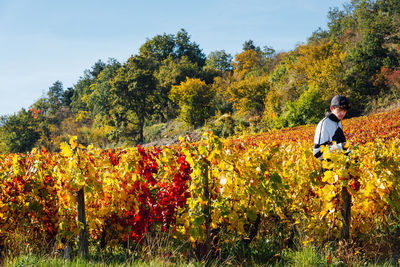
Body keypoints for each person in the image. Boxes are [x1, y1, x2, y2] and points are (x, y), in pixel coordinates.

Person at [313, 95, 350, 160]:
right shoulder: (324, 124)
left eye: (345, 110)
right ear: (331, 108)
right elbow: (317, 153)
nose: (342, 113)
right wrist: (341, 146)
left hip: (341, 167)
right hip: (329, 168)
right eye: (340, 109)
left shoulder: (338, 122)